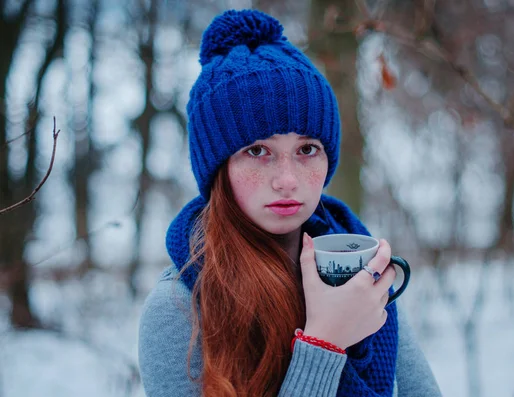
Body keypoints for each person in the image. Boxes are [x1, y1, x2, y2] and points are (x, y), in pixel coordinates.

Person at [138, 9, 441, 397]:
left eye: (307, 149)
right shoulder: (179, 310)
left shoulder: (361, 275)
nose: (287, 180)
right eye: (258, 150)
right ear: (218, 169)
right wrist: (324, 345)